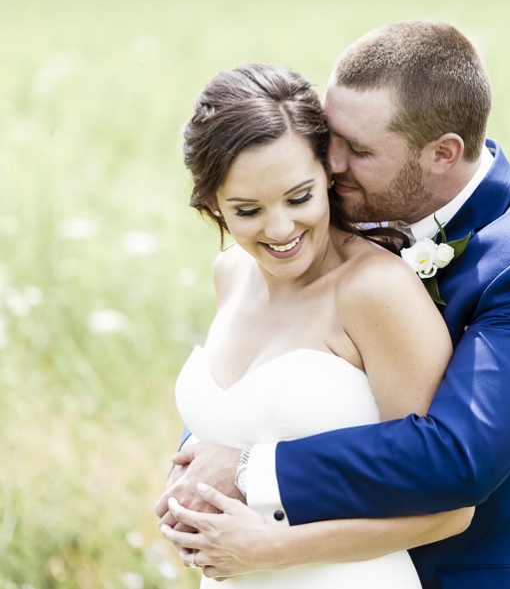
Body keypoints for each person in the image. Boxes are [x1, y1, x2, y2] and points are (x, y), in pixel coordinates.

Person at [157, 21, 510, 589]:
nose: (332, 164)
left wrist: (250, 466)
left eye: (358, 150)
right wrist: (198, 464)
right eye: (329, 138)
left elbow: (456, 459)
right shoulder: (319, 223)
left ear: (442, 153)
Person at [161, 62, 473, 585]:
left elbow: (448, 508)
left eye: (299, 197)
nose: (280, 229)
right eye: (247, 209)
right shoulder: (230, 273)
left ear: (329, 173)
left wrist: (272, 550)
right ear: (211, 201)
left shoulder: (376, 291)